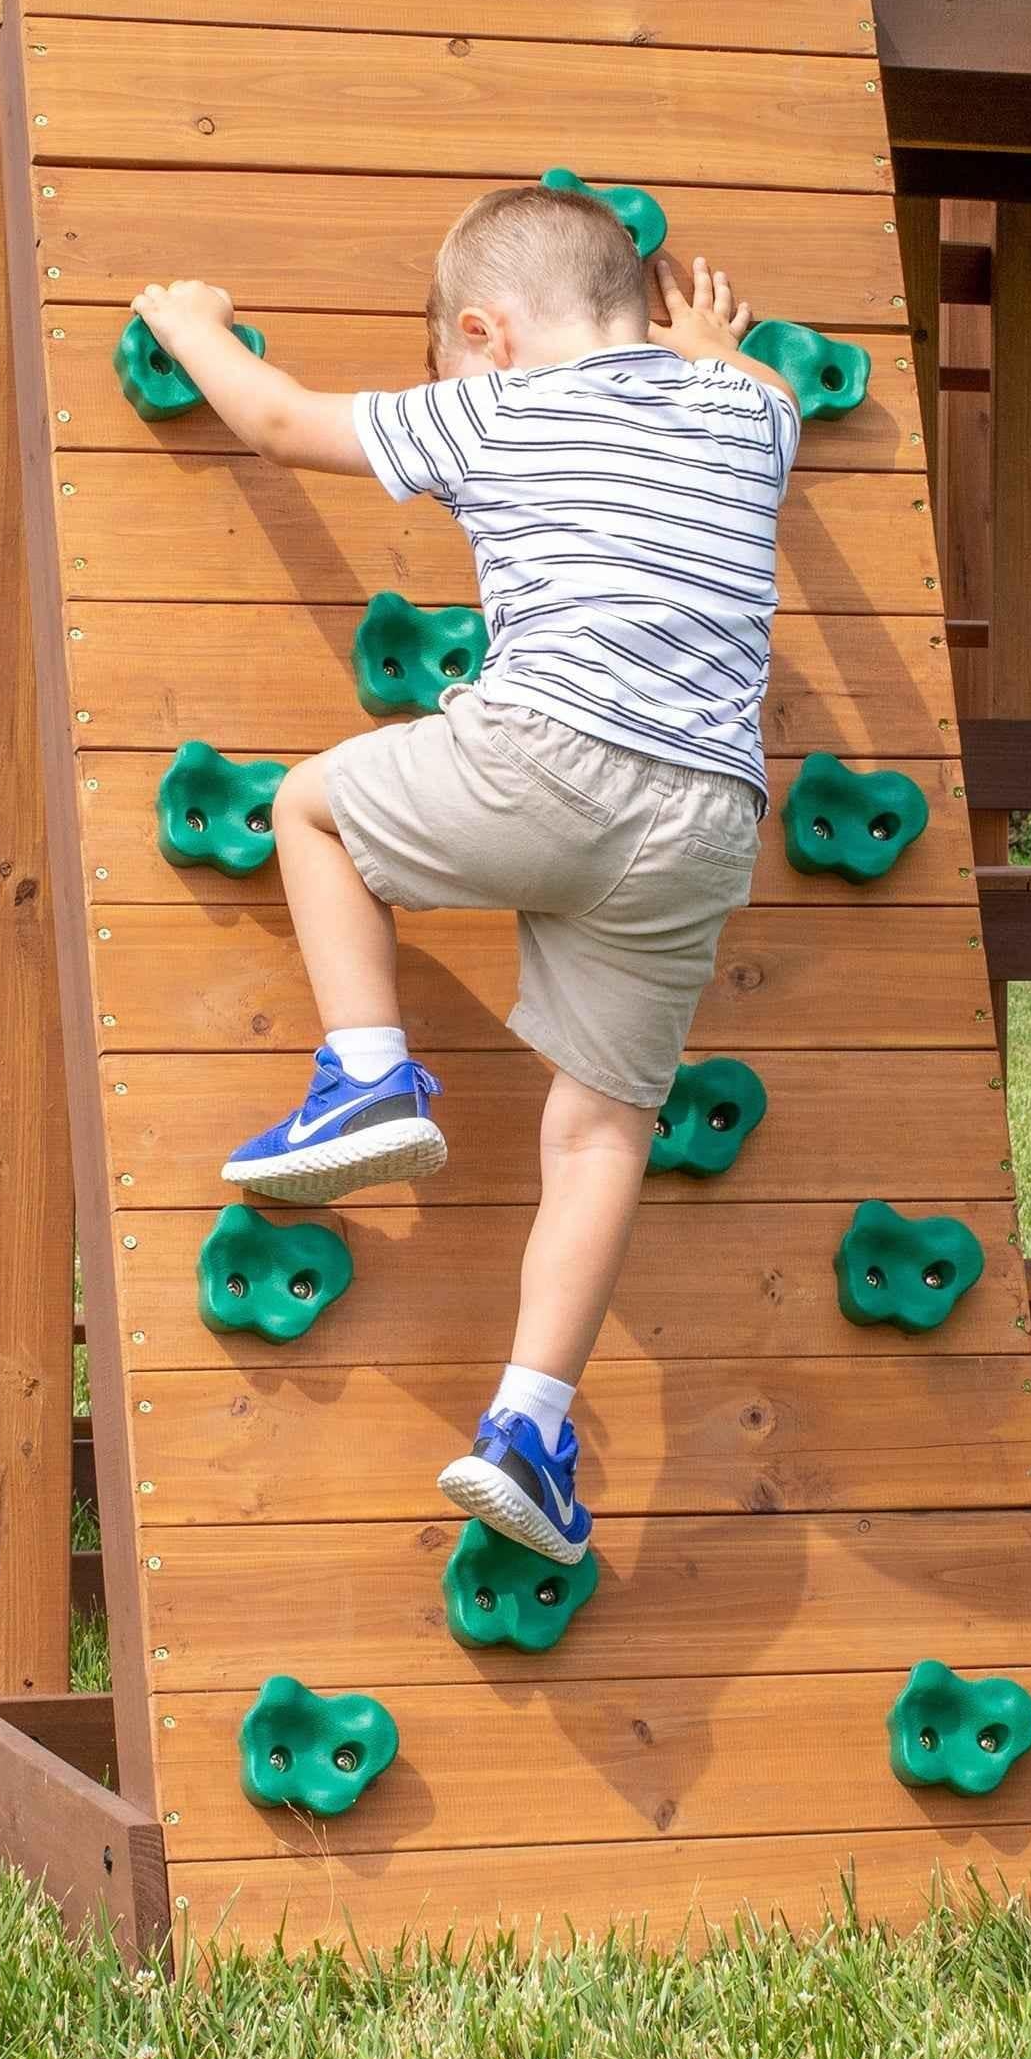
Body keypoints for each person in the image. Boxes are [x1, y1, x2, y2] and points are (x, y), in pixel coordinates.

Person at [130, 187, 798, 1564]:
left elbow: (275, 420)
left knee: (313, 809)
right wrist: (715, 345)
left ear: (485, 334)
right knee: (604, 1133)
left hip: (549, 754)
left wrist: (190, 324)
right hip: (708, 820)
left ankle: (368, 1072)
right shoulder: (752, 418)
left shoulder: (491, 408)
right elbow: (749, 376)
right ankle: (530, 1428)